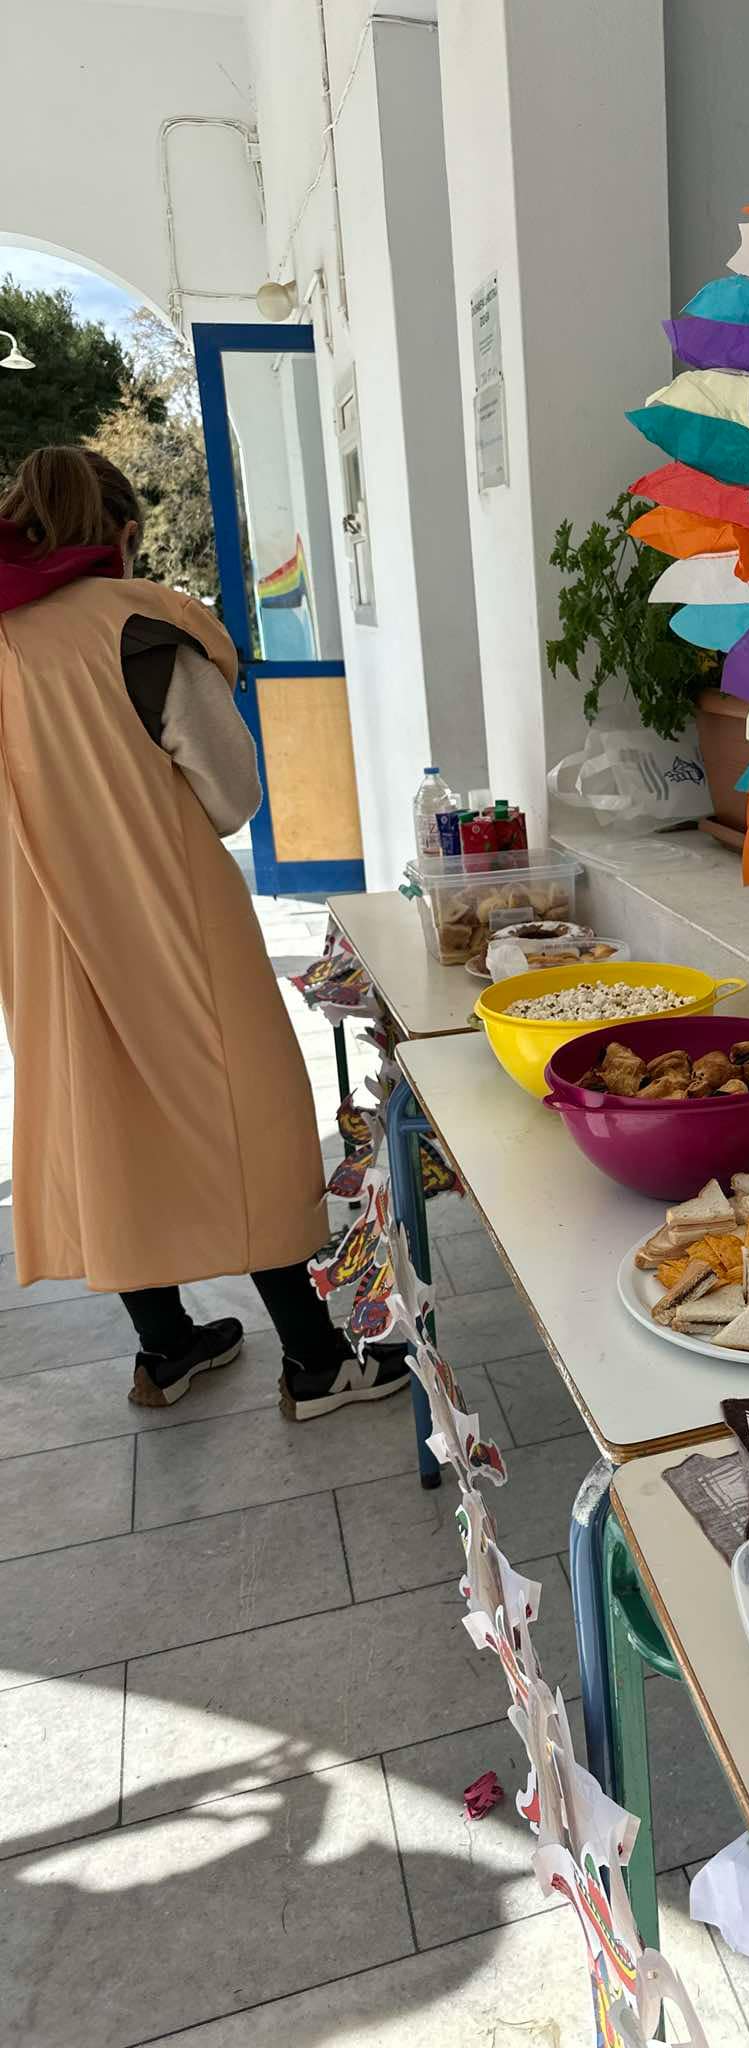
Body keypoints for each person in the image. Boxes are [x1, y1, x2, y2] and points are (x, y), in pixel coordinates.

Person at [0, 446, 407, 1419]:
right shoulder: (140, 633)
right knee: (250, 1118)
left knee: (108, 1122)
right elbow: (230, 794)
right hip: (168, 919)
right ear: (124, 532)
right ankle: (315, 1361)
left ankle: (168, 1346)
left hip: (43, 936)